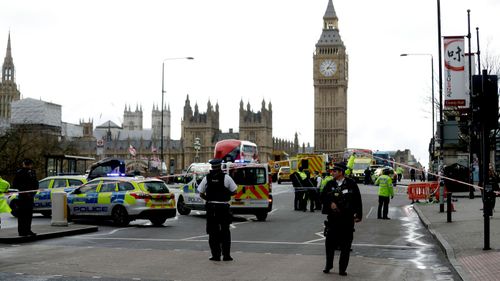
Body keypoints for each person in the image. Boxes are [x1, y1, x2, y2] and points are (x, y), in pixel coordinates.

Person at [321, 162, 362, 276]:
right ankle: (328, 265)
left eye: (335, 171)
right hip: (333, 219)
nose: (332, 173)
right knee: (329, 244)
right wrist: (330, 204)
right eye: (332, 171)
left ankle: (342, 268)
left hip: (347, 219)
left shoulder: (351, 184)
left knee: (346, 245)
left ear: (341, 172)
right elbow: (323, 197)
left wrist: (358, 215)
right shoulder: (329, 184)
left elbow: (357, 199)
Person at [197, 158, 237, 261]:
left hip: (212, 209)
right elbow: (234, 190)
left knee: (212, 232)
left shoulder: (207, 178)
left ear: (212, 167)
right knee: (225, 232)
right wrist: (226, 195)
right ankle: (226, 255)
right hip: (223, 208)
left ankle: (215, 255)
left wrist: (209, 199)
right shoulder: (226, 178)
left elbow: (201, 193)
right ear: (220, 166)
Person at [12, 159, 39, 236]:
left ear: (23, 164)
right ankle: (27, 230)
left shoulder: (19, 172)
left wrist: (23, 190)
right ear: (30, 165)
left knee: (22, 215)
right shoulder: (32, 173)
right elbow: (36, 185)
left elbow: (15, 185)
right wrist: (32, 193)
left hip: (22, 196)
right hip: (29, 196)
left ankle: (22, 231)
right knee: (28, 215)